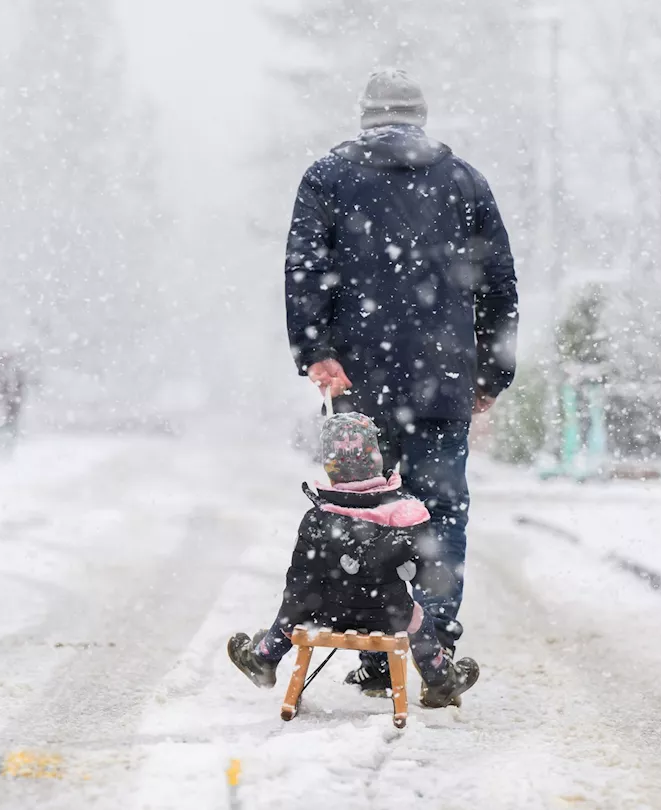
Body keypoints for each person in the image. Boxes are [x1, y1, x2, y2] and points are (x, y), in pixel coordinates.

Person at [284, 68, 518, 695]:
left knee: (363, 513)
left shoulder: (327, 177)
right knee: (438, 513)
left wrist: (317, 351)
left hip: (360, 382)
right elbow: (499, 283)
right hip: (442, 381)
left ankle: (374, 650)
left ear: (365, 117)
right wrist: (491, 371)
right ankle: (433, 645)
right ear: (421, 117)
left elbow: (305, 269)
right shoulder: (465, 181)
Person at [227, 413, 480, 708]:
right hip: (390, 614)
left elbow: (299, 585)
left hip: (325, 613)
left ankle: (263, 658)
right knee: (419, 619)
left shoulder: (318, 519)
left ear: (329, 465)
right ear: (377, 459)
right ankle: (439, 679)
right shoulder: (404, 515)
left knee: (296, 605)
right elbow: (429, 576)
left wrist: (285, 624)